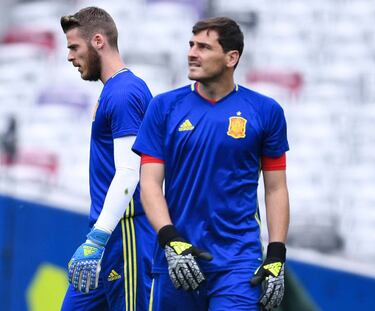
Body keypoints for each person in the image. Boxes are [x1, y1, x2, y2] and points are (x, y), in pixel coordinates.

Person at [133, 17, 290, 310]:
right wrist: (171, 240)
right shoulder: (164, 107)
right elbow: (150, 184)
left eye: (204, 47)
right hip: (177, 256)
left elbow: (276, 188)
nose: (192, 53)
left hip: (238, 262)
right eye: (191, 45)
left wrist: (276, 254)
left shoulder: (266, 112)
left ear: (232, 57)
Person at [59, 7, 155, 311]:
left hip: (125, 234)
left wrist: (97, 238)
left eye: (74, 46)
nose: (70, 56)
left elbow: (130, 170)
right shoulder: (115, 90)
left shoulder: (124, 93)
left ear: (98, 40)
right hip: (109, 235)